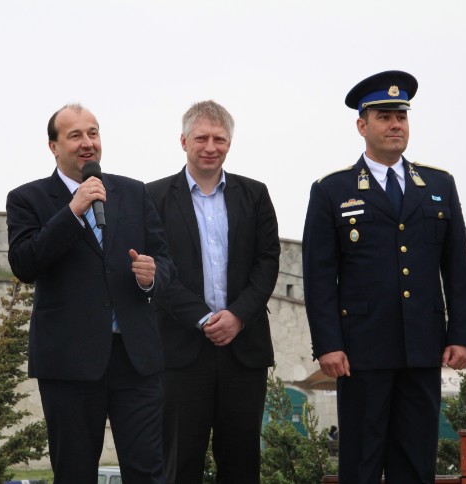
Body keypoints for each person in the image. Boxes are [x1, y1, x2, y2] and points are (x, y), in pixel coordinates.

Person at [302, 70, 466, 483]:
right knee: (361, 461)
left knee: (416, 461)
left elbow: (456, 266)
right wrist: (328, 343)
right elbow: (319, 276)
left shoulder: (438, 184)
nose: (396, 125)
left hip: (423, 347)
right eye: (384, 117)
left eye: (401, 116)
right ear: (362, 126)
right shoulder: (332, 190)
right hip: (361, 352)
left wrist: (461, 334)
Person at [6, 104, 175, 484]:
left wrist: (152, 276)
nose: (87, 143)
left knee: (148, 471)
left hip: (135, 358)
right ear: (53, 146)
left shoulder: (132, 192)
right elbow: (24, 264)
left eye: (93, 133)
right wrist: (73, 211)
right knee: (74, 473)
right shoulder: (27, 198)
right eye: (75, 136)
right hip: (70, 363)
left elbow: (165, 260)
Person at [147, 100, 280, 484]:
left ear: (229, 144)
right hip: (180, 350)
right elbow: (156, 270)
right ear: (183, 141)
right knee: (178, 465)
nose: (210, 147)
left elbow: (267, 261)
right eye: (201, 138)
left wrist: (237, 316)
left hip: (243, 350)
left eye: (219, 139)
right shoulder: (153, 197)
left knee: (242, 466)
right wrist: (204, 318)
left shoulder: (255, 194)